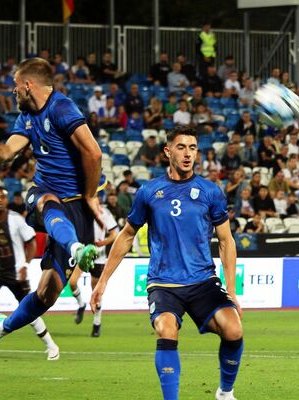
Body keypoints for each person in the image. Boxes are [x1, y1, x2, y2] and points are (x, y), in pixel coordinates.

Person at [90, 126, 243, 400]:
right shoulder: (149, 192)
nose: (187, 154)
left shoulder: (211, 192)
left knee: (233, 330)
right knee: (166, 328)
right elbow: (126, 237)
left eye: (193, 148)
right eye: (181, 147)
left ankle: (225, 392)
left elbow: (226, 241)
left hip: (203, 281)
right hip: (163, 283)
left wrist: (231, 289)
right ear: (167, 151)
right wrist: (102, 282)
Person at [0, 57, 103, 358]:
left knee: (46, 294)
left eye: (16, 87)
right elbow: (10, 149)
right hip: (43, 193)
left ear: (28, 85)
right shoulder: (26, 116)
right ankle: (77, 249)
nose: (14, 93)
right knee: (46, 201)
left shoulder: (61, 108)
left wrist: (91, 195)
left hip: (76, 208)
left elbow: (93, 153)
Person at [0, 187, 59, 359]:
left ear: (6, 200)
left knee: (30, 311)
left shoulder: (16, 220)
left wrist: (25, 264)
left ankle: (51, 346)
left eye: (2, 197)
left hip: (16, 271)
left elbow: (31, 242)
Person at [68, 200, 118, 337]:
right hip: (84, 253)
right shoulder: (82, 212)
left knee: (95, 293)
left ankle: (97, 323)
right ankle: (81, 304)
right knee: (72, 282)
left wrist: (103, 242)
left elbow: (114, 234)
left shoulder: (105, 213)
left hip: (99, 257)